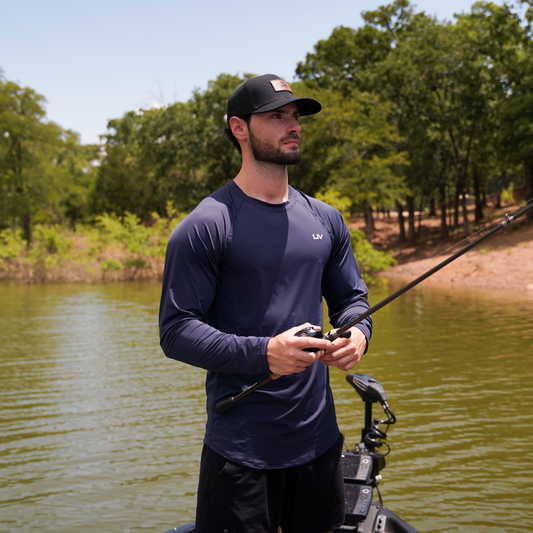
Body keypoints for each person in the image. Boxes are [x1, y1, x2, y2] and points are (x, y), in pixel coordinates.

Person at [159, 74, 373, 533]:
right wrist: (264, 353)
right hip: (240, 455)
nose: (292, 126)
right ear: (240, 128)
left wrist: (357, 334)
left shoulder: (325, 218)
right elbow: (176, 330)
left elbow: (352, 300)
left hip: (318, 445)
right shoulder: (207, 224)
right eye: (276, 117)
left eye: (294, 117)